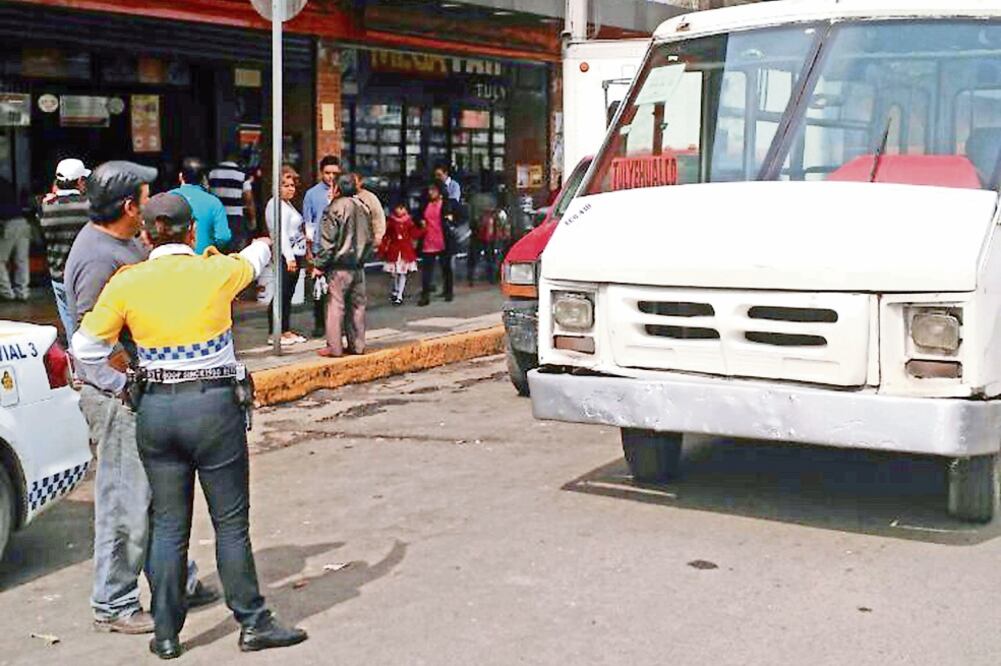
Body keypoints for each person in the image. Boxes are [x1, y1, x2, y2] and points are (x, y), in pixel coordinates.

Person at [71, 190, 308, 659]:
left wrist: (121, 381)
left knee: (168, 526)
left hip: (156, 412)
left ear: (146, 234)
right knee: (231, 524)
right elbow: (259, 255)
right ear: (193, 232)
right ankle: (253, 621)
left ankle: (166, 634)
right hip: (213, 409)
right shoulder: (215, 271)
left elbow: (84, 348)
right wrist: (262, 240)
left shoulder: (127, 283)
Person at [64, 162, 218, 636]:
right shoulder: (96, 256)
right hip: (115, 397)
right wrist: (131, 378)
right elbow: (95, 339)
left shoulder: (128, 242)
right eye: (147, 198)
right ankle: (113, 602)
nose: (152, 207)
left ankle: (177, 581)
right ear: (129, 206)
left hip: (141, 390)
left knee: (157, 495)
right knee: (124, 500)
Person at [314, 174, 372, 358]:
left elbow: (327, 242)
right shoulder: (363, 207)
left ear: (336, 188)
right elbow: (370, 238)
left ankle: (334, 347)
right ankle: (358, 345)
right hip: (358, 265)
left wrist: (319, 265)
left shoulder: (334, 208)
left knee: (335, 306)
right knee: (357, 306)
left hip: (339, 267)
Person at [39, 159, 91, 335]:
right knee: (90, 324)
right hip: (86, 276)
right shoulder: (90, 206)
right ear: (79, 182)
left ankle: (75, 356)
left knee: (70, 324)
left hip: (59, 276)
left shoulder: (45, 207)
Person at [264, 166, 307, 346]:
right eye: (286, 185)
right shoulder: (275, 205)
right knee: (281, 293)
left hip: (296, 253)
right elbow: (279, 233)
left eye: (292, 185)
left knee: (288, 294)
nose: (291, 189)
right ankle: (275, 332)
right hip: (285, 255)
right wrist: (289, 257)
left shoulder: (287, 205)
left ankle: (285, 330)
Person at [302, 155, 342, 338]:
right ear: (321, 173)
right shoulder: (312, 194)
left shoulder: (343, 191)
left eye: (334, 173)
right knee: (319, 288)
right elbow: (308, 223)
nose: (331, 177)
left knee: (339, 289)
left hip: (340, 247)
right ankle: (319, 323)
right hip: (319, 246)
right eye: (327, 173)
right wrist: (309, 250)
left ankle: (337, 324)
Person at [171, 157, 231, 253]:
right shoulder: (214, 202)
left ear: (180, 176)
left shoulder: (168, 198)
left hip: (172, 261)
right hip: (204, 261)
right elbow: (223, 237)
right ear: (203, 178)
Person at [209, 147, 257, 251]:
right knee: (235, 248)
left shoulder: (212, 172)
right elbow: (248, 199)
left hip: (216, 216)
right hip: (236, 217)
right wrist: (252, 219)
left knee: (218, 249)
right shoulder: (242, 174)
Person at [417, 181, 456, 307]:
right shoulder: (425, 204)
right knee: (427, 270)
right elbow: (417, 216)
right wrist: (420, 221)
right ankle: (425, 295)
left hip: (443, 240)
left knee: (446, 268)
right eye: (430, 190)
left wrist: (449, 221)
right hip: (428, 240)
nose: (430, 193)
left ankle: (448, 291)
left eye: (433, 190)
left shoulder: (446, 204)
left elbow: (455, 217)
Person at [378, 202, 420, 305]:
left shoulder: (409, 221)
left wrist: (423, 229)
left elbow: (414, 233)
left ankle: (399, 295)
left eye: (402, 208)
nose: (400, 211)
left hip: (405, 250)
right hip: (394, 250)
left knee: (402, 273)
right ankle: (396, 290)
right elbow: (387, 235)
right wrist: (382, 246)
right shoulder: (391, 221)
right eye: (398, 208)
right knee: (394, 274)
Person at [0, 176, 30, 302]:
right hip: (22, 221)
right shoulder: (5, 181)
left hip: (8, 223)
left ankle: (7, 293)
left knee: (0, 260)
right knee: (21, 260)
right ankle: (22, 292)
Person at [353, 173, 386, 248]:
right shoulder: (340, 196)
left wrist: (378, 235)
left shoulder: (369, 197)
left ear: (360, 182)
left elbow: (378, 216)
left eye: (354, 181)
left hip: (365, 239)